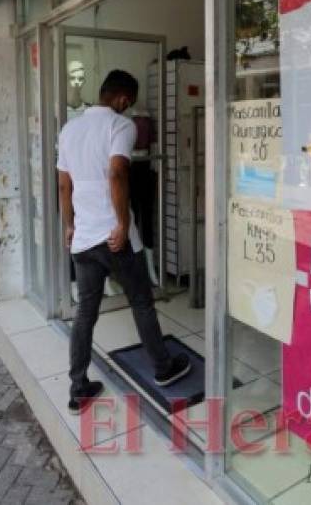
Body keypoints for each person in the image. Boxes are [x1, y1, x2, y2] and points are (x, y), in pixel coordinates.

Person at [57, 70, 191, 415]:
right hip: (113, 237)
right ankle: (163, 368)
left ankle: (77, 388)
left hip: (83, 238)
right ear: (122, 99)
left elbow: (64, 185)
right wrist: (122, 222)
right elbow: (117, 173)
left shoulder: (69, 129)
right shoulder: (121, 126)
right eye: (127, 103)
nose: (128, 108)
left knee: (85, 312)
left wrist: (69, 225)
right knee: (141, 302)